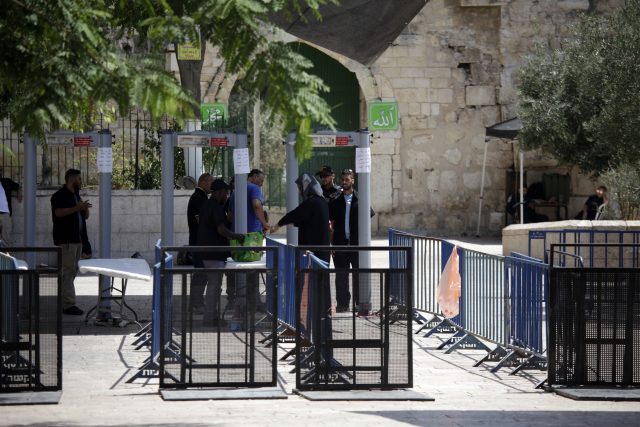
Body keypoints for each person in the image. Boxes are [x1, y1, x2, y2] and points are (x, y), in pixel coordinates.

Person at [196, 179, 245, 327]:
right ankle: (210, 319)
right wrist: (238, 236)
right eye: (226, 192)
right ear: (219, 192)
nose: (227, 195)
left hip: (207, 252)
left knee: (214, 287)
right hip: (213, 253)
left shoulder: (207, 205)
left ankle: (211, 317)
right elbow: (221, 230)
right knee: (214, 287)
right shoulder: (215, 207)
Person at [329, 169, 375, 313]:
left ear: (352, 180)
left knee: (357, 275)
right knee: (341, 276)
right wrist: (331, 244)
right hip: (340, 244)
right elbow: (330, 222)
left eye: (347, 180)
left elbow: (370, 215)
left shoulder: (360, 199)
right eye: (342, 180)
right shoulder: (336, 200)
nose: (344, 182)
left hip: (356, 245)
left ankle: (359, 303)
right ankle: (343, 304)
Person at [51, 169, 91, 315]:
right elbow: (58, 213)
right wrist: (77, 208)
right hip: (66, 240)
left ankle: (65, 300)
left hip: (77, 239)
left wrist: (84, 209)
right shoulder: (59, 196)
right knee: (67, 272)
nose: (80, 182)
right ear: (72, 179)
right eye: (79, 179)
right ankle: (68, 305)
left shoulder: (76, 195)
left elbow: (83, 216)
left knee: (71, 271)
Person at [187, 173, 213, 311]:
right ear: (203, 182)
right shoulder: (198, 198)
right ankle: (196, 303)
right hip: (199, 241)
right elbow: (201, 220)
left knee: (202, 273)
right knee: (200, 273)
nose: (212, 186)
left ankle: (197, 302)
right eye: (211, 182)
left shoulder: (201, 197)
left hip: (200, 241)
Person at [229, 169, 270, 233]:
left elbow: (230, 215)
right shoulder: (255, 188)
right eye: (261, 181)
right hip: (252, 235)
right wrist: (264, 224)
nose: (261, 184)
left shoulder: (235, 191)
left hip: (236, 233)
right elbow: (257, 205)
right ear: (255, 176)